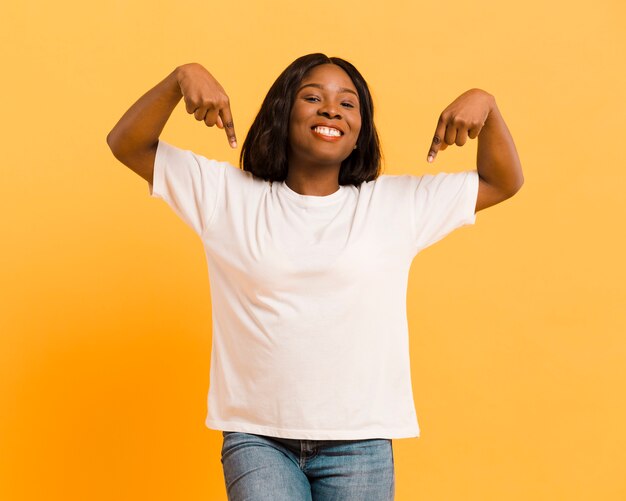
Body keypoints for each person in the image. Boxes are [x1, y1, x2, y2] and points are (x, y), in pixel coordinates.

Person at [106, 53, 523, 501]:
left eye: (348, 104)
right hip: (258, 439)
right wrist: (179, 79)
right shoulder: (226, 197)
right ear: (283, 112)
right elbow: (127, 143)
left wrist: (488, 105)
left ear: (360, 129)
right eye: (312, 97)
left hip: (360, 443)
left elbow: (502, 181)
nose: (331, 110)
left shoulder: (394, 206)